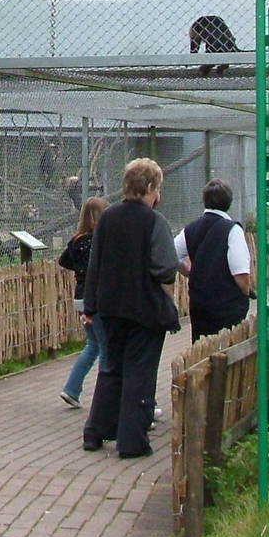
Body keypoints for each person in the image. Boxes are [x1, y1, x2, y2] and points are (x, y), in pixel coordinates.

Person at [81, 158, 179, 458]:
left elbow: (95, 264)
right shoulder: (155, 221)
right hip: (144, 310)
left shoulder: (108, 218)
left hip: (110, 308)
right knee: (139, 373)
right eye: (157, 188)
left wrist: (90, 306)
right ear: (149, 187)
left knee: (111, 369)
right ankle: (132, 441)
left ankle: (95, 431)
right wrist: (168, 295)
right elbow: (166, 268)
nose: (158, 194)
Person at [174, 179, 255, 342]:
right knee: (229, 346)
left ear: (204, 200)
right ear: (229, 202)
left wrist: (189, 272)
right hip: (228, 306)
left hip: (200, 305)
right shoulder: (233, 230)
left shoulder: (190, 229)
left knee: (201, 346)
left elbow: (172, 254)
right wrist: (246, 292)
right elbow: (240, 273)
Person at [55, 195, 110, 407]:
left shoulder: (77, 240)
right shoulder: (100, 241)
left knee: (92, 345)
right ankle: (105, 398)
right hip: (95, 298)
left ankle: (72, 388)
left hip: (80, 296)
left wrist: (80, 269)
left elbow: (63, 260)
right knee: (105, 347)